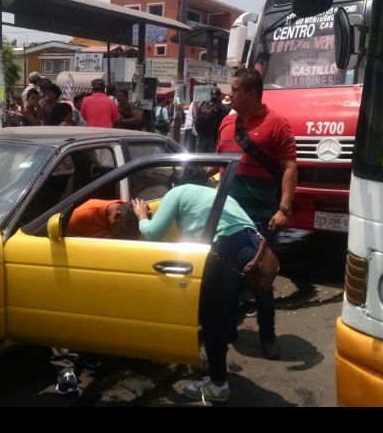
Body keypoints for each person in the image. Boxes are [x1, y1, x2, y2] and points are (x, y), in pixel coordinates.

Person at [130, 166, 259, 403]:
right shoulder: (215, 194)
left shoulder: (176, 193)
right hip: (252, 248)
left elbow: (152, 233)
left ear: (172, 185)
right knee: (226, 310)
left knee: (211, 319)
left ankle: (218, 385)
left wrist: (141, 215)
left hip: (225, 249)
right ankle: (216, 360)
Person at [216, 68, 298, 360]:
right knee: (226, 276)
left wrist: (283, 209)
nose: (230, 94)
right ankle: (228, 327)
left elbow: (289, 168)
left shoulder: (277, 124)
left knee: (260, 278)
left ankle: (267, 335)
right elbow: (221, 166)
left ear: (251, 93)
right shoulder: (226, 124)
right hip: (228, 216)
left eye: (235, 90)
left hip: (261, 216)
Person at [51, 198, 141, 394]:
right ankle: (65, 369)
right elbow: (54, 248)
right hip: (69, 272)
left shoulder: (131, 215)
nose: (123, 237)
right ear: (116, 217)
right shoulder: (83, 215)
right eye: (122, 234)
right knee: (64, 311)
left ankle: (93, 350)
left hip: (100, 274)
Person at [195, 87, 228, 153]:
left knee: (200, 160)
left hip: (201, 137)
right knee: (212, 161)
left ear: (210, 95)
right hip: (214, 138)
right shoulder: (222, 108)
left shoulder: (203, 104)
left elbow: (197, 119)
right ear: (220, 96)